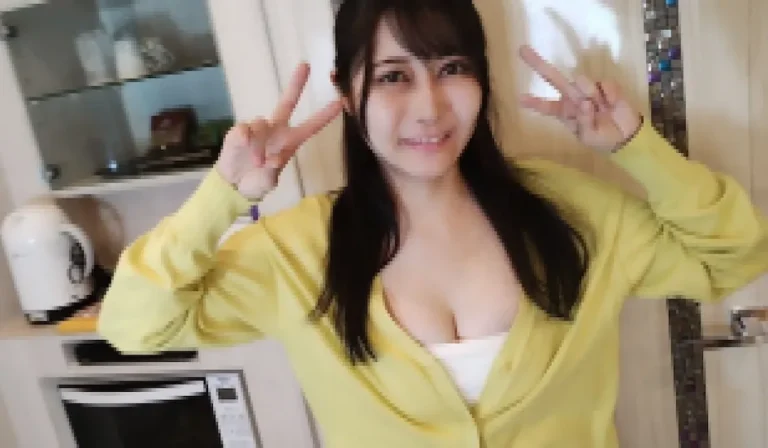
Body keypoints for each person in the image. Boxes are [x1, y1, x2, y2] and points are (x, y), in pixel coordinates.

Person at [97, 0, 768, 446]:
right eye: (393, 77)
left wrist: (636, 148)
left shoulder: (571, 213)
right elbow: (134, 326)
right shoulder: (292, 250)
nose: (430, 108)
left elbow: (733, 257)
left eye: (451, 69)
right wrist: (221, 195)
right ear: (347, 92)